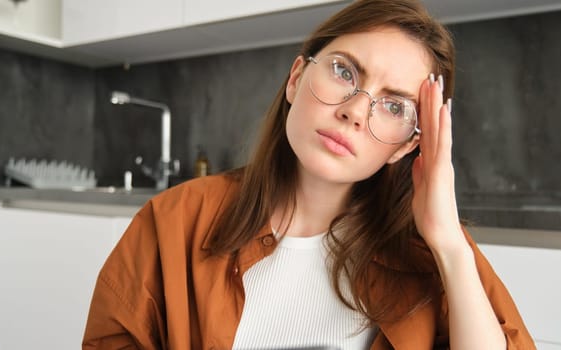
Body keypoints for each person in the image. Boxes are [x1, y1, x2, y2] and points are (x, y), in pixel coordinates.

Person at [83, 0, 534, 348]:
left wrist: (450, 244)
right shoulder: (173, 219)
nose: (356, 111)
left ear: (408, 144)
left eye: (395, 105)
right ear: (296, 78)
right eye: (344, 71)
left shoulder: (433, 251)